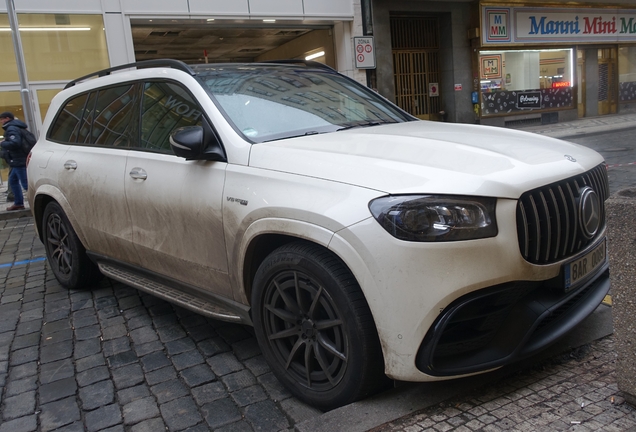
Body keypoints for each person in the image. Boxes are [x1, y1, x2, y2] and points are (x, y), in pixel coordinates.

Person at [0, 112, 29, 211]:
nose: (1, 122)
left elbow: (15, 143)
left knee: (26, 184)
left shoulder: (11, 128)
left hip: (19, 160)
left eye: (2, 119)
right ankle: (18, 203)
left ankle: (35, 202)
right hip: (17, 160)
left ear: (7, 118)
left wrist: (3, 143)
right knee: (13, 180)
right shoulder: (16, 126)